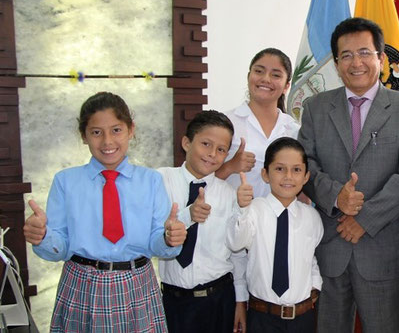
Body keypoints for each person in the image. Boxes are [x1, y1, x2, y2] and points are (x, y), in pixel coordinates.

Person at [298, 17, 399, 333]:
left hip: (382, 249)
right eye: (346, 55)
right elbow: (305, 164)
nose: (356, 62)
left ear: (381, 58)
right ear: (337, 63)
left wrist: (364, 219)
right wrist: (335, 196)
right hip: (331, 245)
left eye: (365, 53)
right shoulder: (316, 107)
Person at [23, 91, 186, 332]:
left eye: (116, 130)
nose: (107, 141)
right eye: (96, 132)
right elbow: (61, 246)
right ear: (84, 136)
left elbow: (155, 243)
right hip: (81, 285)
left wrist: (169, 238)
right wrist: (43, 236)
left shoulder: (150, 181)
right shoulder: (66, 181)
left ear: (131, 130)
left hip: (136, 285)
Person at [157, 110, 248, 333]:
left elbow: (237, 253)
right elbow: (148, 235)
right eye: (206, 144)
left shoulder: (229, 194)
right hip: (172, 299)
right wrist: (187, 216)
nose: (212, 154)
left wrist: (240, 302)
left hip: (218, 299)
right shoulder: (159, 180)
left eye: (221, 150)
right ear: (186, 142)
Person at [226, 137, 323, 332]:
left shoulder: (312, 217)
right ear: (265, 174)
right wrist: (242, 209)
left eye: (296, 170)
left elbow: (310, 256)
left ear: (305, 177)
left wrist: (315, 284)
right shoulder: (253, 210)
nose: (288, 176)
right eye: (279, 169)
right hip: (262, 317)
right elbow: (236, 243)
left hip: (302, 317)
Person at [217, 48, 300, 199]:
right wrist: (230, 166)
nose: (266, 79)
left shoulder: (294, 130)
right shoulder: (225, 123)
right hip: (232, 217)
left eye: (275, 75)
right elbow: (201, 177)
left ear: (287, 86)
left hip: (279, 219)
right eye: (259, 71)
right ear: (249, 76)